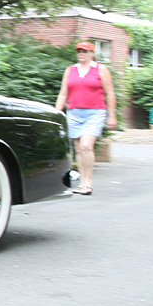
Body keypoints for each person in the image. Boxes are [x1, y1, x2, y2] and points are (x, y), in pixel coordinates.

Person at [54, 41, 117, 195]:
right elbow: (63, 94)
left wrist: (112, 116)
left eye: (85, 51)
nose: (81, 54)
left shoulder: (100, 69)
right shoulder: (70, 70)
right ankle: (83, 183)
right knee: (79, 150)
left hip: (95, 112)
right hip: (74, 112)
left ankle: (88, 182)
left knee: (86, 146)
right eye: (79, 51)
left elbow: (110, 93)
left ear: (92, 54)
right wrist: (56, 114)